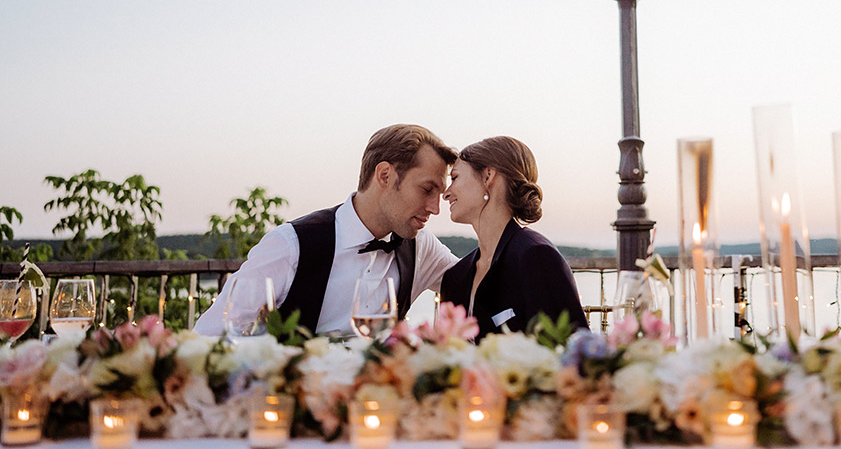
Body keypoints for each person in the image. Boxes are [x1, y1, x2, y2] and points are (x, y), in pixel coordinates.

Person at [194, 124, 458, 336]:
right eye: (426, 190)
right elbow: (211, 336)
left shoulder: (420, 247)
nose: (435, 208)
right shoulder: (290, 245)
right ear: (385, 176)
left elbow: (483, 284)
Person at [440, 136, 587, 338]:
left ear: (488, 176)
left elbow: (572, 351)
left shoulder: (536, 257)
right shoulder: (455, 277)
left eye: (454, 178)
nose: (446, 193)